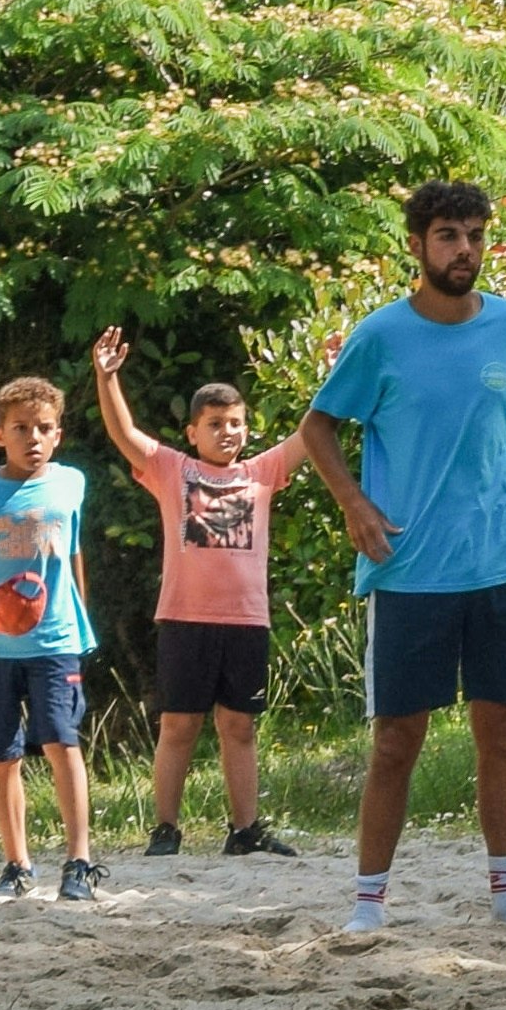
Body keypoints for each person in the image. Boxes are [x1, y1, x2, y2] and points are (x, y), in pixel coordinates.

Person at [285, 178, 506, 934]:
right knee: (396, 738)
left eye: (474, 234)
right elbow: (318, 428)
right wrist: (353, 502)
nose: (464, 249)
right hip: (411, 567)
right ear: (416, 244)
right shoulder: (380, 336)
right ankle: (367, 902)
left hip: (503, 559)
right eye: (448, 234)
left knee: (502, 729)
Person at [88, 326, 308, 860]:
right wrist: (106, 376)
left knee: (240, 726)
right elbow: (123, 432)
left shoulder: (263, 472)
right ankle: (165, 830)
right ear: (193, 432)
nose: (227, 432)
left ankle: (245, 831)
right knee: (179, 725)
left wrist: (343, 364)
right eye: (215, 424)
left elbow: (312, 430)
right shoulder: (172, 470)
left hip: (246, 621)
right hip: (185, 619)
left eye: (236, 423)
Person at [0, 374, 102, 904]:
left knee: (62, 741)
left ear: (58, 435)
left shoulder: (71, 483)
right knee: (1, 757)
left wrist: (81, 614)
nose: (32, 437)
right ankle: (16, 863)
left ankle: (79, 862)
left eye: (43, 428)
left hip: (56, 642)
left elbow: (73, 552)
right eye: (21, 428)